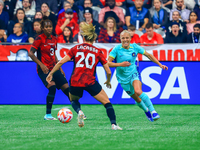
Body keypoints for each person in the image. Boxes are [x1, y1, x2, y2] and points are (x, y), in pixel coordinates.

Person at [46, 22, 122, 130]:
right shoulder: (98, 52)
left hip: (75, 81)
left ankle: (79, 111)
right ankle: (114, 124)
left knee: (74, 101)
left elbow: (60, 62)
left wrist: (51, 73)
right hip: (90, 81)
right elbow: (108, 71)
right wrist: (108, 81)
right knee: (107, 103)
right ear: (94, 38)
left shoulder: (75, 48)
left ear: (83, 36)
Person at [108, 30, 168, 122]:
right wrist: (120, 64)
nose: (125, 40)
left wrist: (160, 64)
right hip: (122, 78)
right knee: (137, 99)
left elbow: (148, 55)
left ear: (130, 38)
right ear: (120, 39)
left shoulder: (135, 47)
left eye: (127, 38)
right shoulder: (116, 49)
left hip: (134, 73)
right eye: (123, 38)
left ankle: (153, 111)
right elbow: (108, 63)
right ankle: (146, 110)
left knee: (138, 91)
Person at [28, 17, 72, 120]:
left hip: (54, 68)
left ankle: (80, 112)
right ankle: (48, 115)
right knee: (52, 88)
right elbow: (30, 53)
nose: (49, 28)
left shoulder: (54, 39)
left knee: (68, 90)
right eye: (46, 27)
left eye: (50, 26)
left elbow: (54, 54)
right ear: (43, 28)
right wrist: (41, 65)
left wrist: (59, 67)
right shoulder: (39, 39)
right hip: (44, 70)